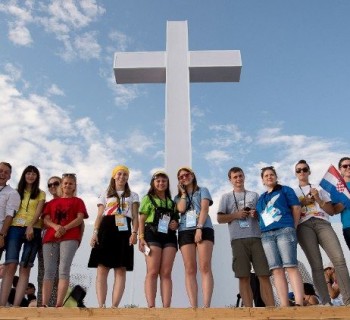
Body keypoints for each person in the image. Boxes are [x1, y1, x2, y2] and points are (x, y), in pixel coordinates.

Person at [293, 160, 350, 306]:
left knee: (339, 260)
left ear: (309, 171)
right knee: (316, 265)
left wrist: (318, 198)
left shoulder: (320, 188)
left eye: (305, 169)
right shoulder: (293, 192)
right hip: (304, 225)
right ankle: (325, 303)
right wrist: (302, 202)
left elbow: (331, 211)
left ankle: (348, 300)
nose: (302, 172)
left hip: (322, 222)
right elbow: (291, 212)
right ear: (295, 173)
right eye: (298, 170)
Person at [217, 167, 274, 307]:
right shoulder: (226, 197)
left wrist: (256, 214)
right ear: (230, 180)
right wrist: (236, 215)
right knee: (243, 276)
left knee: (264, 275)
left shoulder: (254, 195)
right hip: (237, 240)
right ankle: (248, 311)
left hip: (256, 238)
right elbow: (219, 218)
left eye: (240, 176)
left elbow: (264, 214)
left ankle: (272, 310)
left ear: (244, 177)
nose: (238, 179)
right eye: (235, 177)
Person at [88, 165, 139, 308]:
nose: (122, 177)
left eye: (125, 174)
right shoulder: (105, 193)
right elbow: (99, 215)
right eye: (119, 174)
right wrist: (95, 233)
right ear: (114, 176)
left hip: (124, 232)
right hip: (106, 229)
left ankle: (114, 306)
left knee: (121, 269)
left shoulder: (133, 195)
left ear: (128, 177)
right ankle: (101, 305)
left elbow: (135, 216)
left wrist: (134, 233)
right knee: (102, 269)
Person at [256, 166, 304, 307]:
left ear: (276, 177)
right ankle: (284, 304)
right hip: (266, 235)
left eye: (271, 174)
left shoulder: (285, 190)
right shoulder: (261, 198)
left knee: (290, 266)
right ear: (263, 180)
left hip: (284, 229)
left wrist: (293, 226)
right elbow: (261, 215)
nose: (269, 177)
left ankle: (299, 302)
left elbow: (296, 207)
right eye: (266, 176)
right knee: (276, 269)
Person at [0, 165, 45, 307]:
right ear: (24, 175)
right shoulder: (15, 192)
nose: (31, 176)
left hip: (33, 229)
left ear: (37, 177)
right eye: (28, 173)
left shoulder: (41, 193)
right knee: (10, 265)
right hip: (15, 228)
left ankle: (16, 305)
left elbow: (38, 212)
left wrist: (31, 226)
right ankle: (2, 304)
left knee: (25, 267)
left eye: (34, 174)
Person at [41, 173, 88, 307]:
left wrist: (64, 228)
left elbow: (79, 218)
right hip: (51, 237)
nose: (67, 185)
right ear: (62, 185)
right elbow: (46, 219)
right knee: (49, 271)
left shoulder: (78, 201)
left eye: (70, 183)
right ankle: (44, 304)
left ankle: (59, 304)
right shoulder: (51, 203)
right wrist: (56, 227)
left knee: (64, 269)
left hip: (70, 237)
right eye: (65, 183)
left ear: (74, 186)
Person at [175, 167, 214, 308]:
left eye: (186, 175)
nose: (184, 178)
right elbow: (180, 209)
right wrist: (184, 193)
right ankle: (194, 307)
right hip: (185, 230)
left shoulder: (202, 190)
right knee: (190, 269)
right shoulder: (178, 197)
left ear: (192, 175)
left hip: (203, 228)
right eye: (181, 177)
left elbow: (204, 209)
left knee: (205, 267)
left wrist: (199, 227)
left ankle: (206, 306)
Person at [138, 170, 178, 308]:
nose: (161, 183)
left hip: (169, 237)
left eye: (164, 181)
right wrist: (141, 237)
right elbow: (141, 219)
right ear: (153, 183)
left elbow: (175, 221)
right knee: (153, 271)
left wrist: (175, 224)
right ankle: (151, 307)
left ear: (167, 183)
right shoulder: (147, 198)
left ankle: (166, 307)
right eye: (158, 181)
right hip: (152, 234)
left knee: (166, 272)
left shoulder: (171, 203)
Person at [37, 176, 62, 307]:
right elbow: (42, 223)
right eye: (49, 185)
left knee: (61, 274)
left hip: (64, 242)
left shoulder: (72, 201)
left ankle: (56, 306)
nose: (52, 186)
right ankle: (43, 306)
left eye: (55, 183)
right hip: (46, 242)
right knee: (44, 273)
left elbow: (81, 224)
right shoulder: (47, 205)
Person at [0, 162, 20, 261]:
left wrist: (1, 235)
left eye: (6, 172)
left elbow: (10, 215)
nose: (2, 174)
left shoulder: (12, 193)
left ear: (9, 176)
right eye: (0, 171)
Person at [332, 157, 350, 251]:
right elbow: (335, 210)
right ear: (340, 169)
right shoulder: (338, 188)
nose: (348, 167)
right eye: (345, 166)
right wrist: (346, 199)